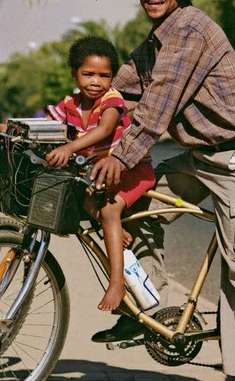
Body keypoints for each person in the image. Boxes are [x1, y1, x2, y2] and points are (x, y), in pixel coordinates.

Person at [89, 0, 235, 381]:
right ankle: (148, 309)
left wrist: (120, 157)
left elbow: (157, 105)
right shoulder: (154, 42)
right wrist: (61, 127)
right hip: (198, 158)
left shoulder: (190, 30)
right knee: (134, 208)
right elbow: (119, 89)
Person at [46, 36, 157, 310]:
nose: (96, 81)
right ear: (74, 73)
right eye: (88, 74)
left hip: (130, 169)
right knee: (75, 193)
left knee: (108, 211)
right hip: (96, 174)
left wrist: (70, 148)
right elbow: (45, 125)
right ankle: (116, 230)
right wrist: (7, 128)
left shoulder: (112, 99)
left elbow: (105, 130)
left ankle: (116, 284)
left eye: (104, 75)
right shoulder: (68, 104)